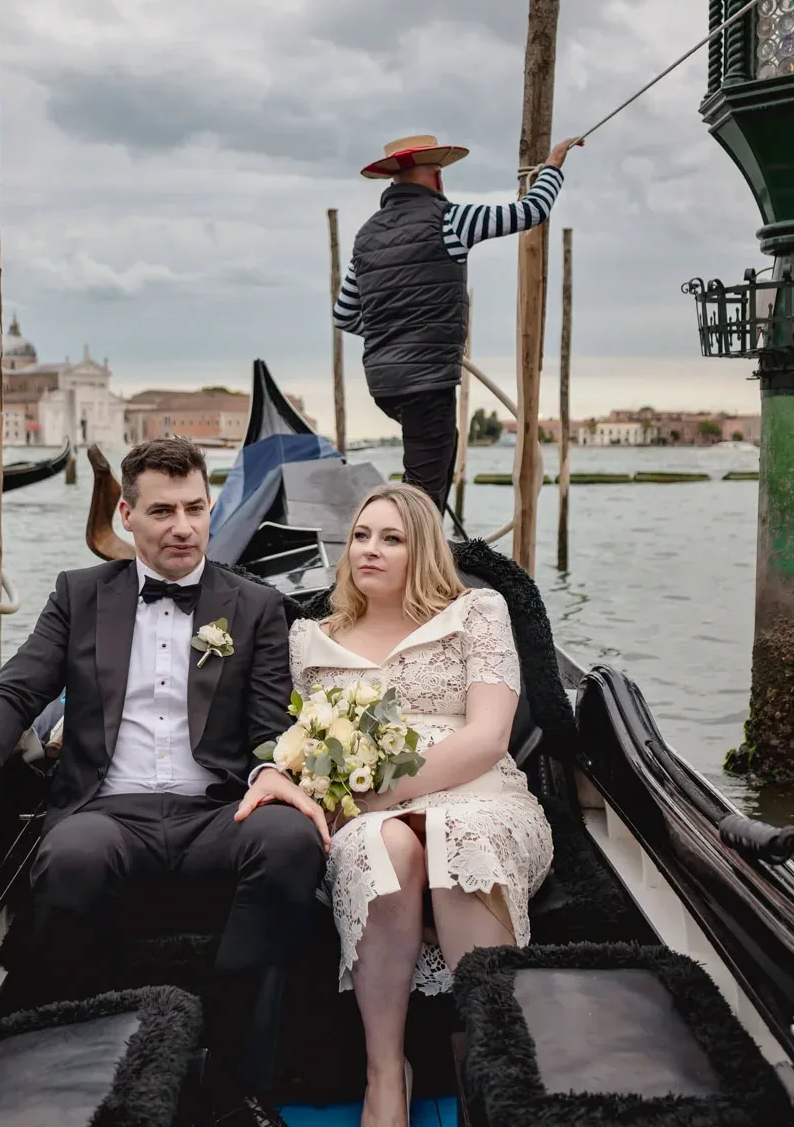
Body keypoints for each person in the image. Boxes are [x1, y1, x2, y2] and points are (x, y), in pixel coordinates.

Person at [0, 436, 329, 1124]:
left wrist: (270, 772)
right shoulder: (79, 596)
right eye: (163, 511)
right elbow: (13, 694)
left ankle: (236, 1069)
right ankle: (94, 1062)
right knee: (71, 857)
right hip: (109, 811)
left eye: (196, 507)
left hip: (217, 811)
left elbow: (267, 725)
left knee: (290, 841)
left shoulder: (253, 605)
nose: (185, 526)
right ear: (127, 515)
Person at [289, 482, 552, 1126]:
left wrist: (381, 791)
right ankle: (385, 1074)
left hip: (482, 797)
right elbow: (302, 745)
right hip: (367, 821)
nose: (368, 550)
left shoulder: (477, 612)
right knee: (386, 844)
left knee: (457, 837)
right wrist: (353, 801)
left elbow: (488, 737)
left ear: (423, 550)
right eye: (359, 536)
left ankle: (490, 1065)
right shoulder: (309, 638)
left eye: (391, 538)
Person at [334, 133, 580, 516]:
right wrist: (552, 166)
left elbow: (344, 315)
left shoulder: (366, 236)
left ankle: (423, 550)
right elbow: (530, 212)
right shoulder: (450, 219)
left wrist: (392, 334)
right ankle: (415, 561)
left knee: (436, 459)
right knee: (424, 490)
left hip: (384, 384)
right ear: (435, 177)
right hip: (427, 379)